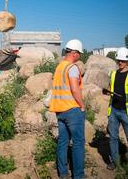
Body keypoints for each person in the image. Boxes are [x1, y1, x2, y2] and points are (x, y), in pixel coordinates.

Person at [49, 39, 85, 179]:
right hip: (72, 110)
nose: (79, 57)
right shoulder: (72, 68)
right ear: (75, 53)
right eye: (79, 54)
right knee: (78, 143)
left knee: (63, 142)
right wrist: (82, 105)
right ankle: (78, 176)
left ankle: (63, 173)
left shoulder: (59, 67)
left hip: (60, 111)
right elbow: (75, 89)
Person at [105, 47, 128, 170]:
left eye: (123, 61)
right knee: (113, 138)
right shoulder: (113, 74)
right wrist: (107, 92)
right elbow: (110, 87)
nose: (120, 63)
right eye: (118, 60)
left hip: (126, 112)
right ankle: (115, 162)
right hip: (114, 110)